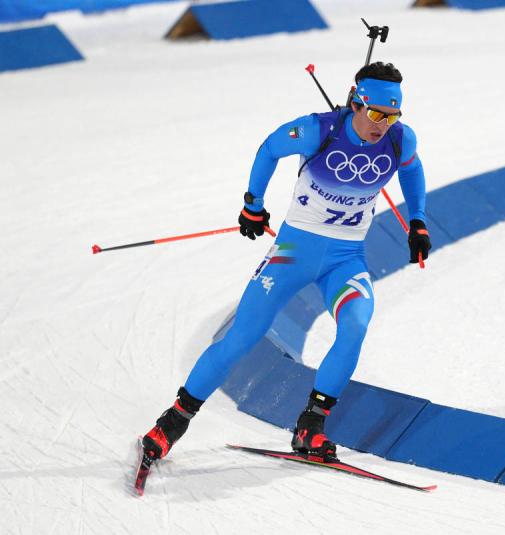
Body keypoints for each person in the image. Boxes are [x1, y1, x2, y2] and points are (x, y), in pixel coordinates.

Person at [141, 62, 431, 461]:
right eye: (377, 113)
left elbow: (413, 172)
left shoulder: (400, 140)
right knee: (241, 337)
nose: (383, 124)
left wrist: (418, 222)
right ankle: (171, 423)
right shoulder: (319, 129)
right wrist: (252, 205)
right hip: (292, 255)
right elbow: (269, 149)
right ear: (357, 101)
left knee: (356, 325)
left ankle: (310, 425)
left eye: (393, 115)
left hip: (345, 260)